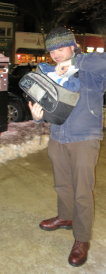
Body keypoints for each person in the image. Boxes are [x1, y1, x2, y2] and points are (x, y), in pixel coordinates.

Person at [28, 27, 106, 267]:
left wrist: (75, 62)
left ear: (73, 46)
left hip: (84, 137)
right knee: (62, 184)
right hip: (58, 135)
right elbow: (46, 103)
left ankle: (82, 239)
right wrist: (38, 116)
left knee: (82, 190)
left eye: (60, 48)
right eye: (51, 50)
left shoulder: (90, 69)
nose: (56, 55)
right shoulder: (50, 72)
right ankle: (65, 217)